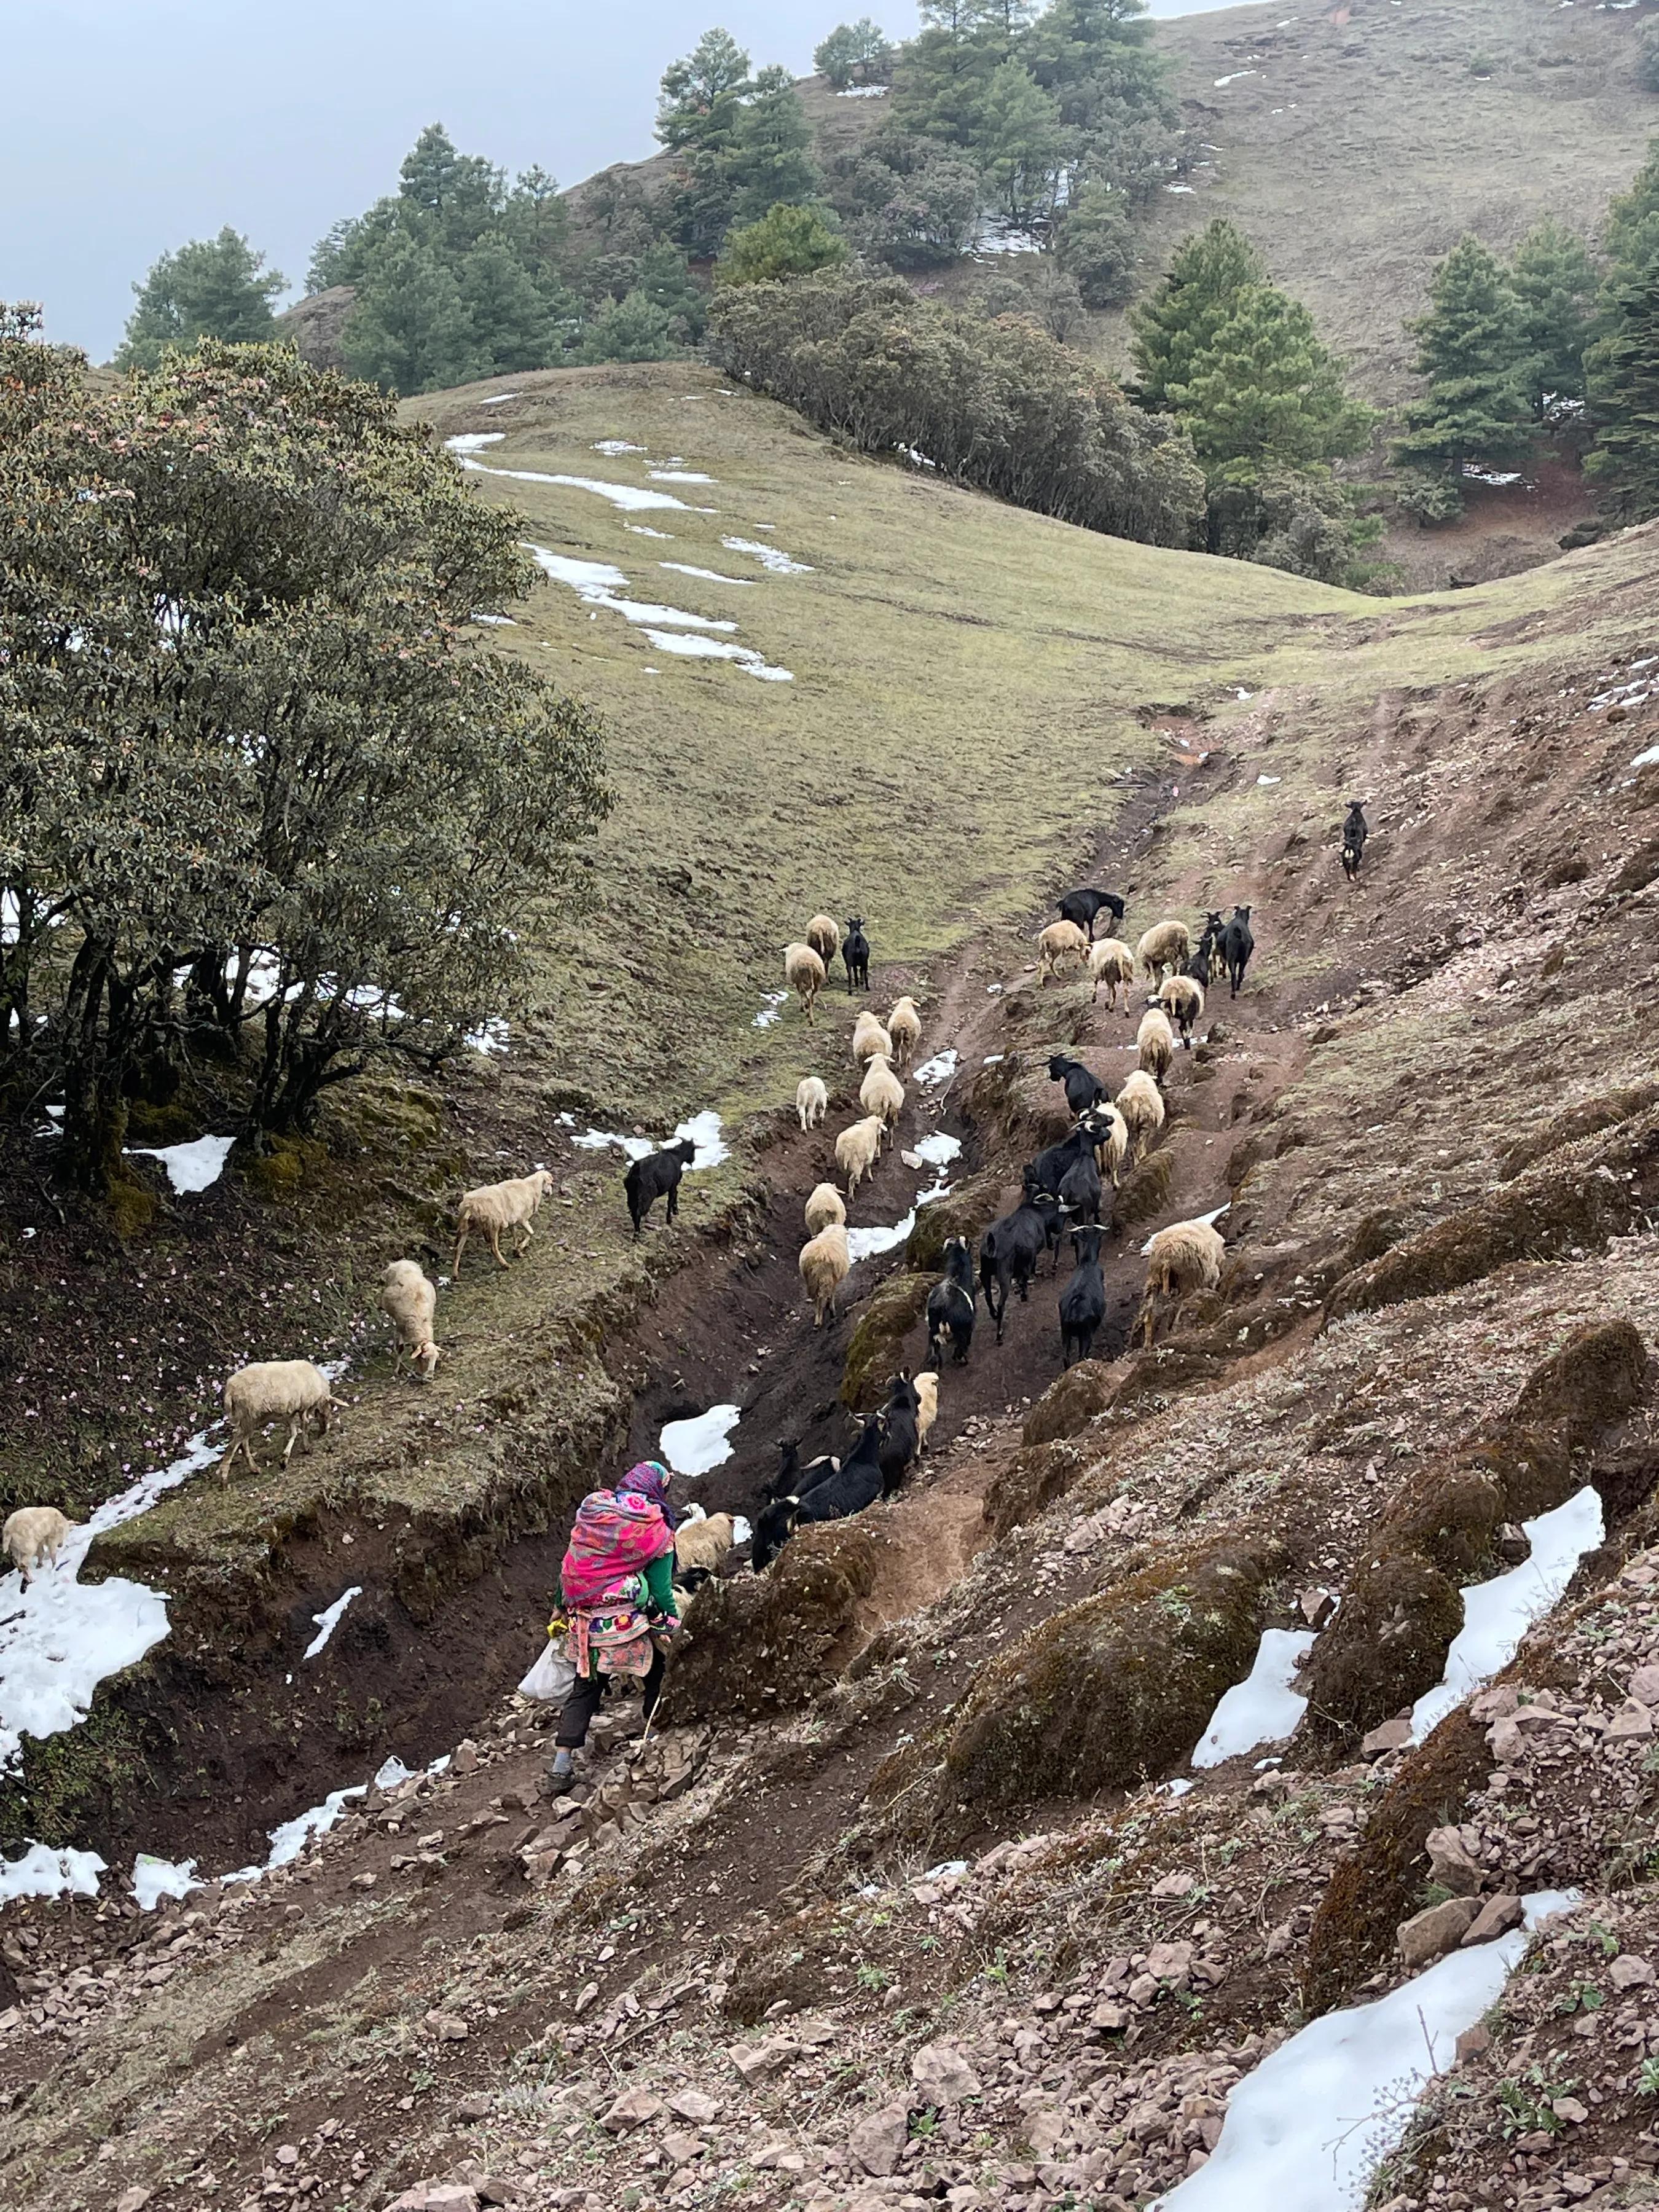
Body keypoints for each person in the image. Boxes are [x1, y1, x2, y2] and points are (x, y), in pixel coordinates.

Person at [547, 1461, 679, 1793]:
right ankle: (653, 1740)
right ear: (658, 1489)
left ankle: (561, 1766)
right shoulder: (654, 1528)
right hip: (627, 1625)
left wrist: (560, 1607)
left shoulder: (594, 1515)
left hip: (585, 1625)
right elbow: (661, 1588)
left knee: (585, 1690)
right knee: (656, 1672)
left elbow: (571, 1566)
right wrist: (670, 1620)